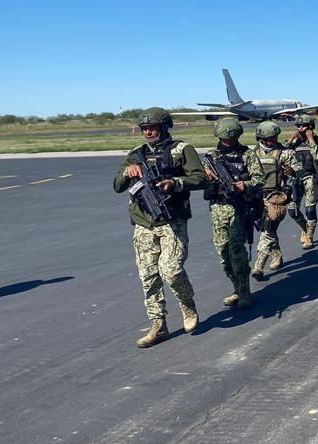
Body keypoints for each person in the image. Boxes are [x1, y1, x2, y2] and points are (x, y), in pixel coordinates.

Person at [113, 108, 209, 348]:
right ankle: (158, 325)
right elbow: (116, 185)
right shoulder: (136, 154)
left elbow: (200, 178)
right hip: (143, 222)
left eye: (153, 127)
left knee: (171, 270)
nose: (148, 132)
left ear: (165, 127)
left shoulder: (181, 149)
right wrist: (128, 172)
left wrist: (175, 183)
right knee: (148, 275)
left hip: (171, 219)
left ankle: (187, 305)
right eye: (145, 128)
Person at [202, 117, 264, 309]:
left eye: (232, 138)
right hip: (218, 209)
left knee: (237, 252)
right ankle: (236, 288)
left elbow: (259, 179)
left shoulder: (247, 155)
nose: (228, 141)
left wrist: (244, 185)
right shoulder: (210, 157)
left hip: (238, 208)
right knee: (223, 254)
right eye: (225, 138)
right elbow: (197, 180)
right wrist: (206, 176)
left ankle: (245, 291)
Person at [249, 121, 303, 281]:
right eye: (268, 139)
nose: (272, 141)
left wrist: (292, 171)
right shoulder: (252, 153)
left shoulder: (284, 153)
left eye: (274, 138)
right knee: (266, 229)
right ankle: (277, 255)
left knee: (267, 229)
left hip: (276, 197)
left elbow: (299, 170)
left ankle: (258, 266)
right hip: (258, 197)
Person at [286, 114, 318, 249]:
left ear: (311, 127)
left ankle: (310, 236)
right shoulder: (294, 142)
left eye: (304, 126)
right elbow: (284, 155)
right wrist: (290, 141)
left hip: (311, 178)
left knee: (309, 210)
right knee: (292, 210)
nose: (301, 128)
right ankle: (305, 228)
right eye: (298, 126)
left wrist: (311, 140)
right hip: (295, 178)